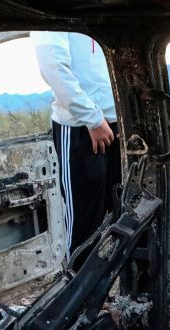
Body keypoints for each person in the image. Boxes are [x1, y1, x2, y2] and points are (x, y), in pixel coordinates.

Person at [31, 31, 121, 258]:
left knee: (127, 214)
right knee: (86, 224)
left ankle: (130, 291)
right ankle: (84, 290)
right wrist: (92, 118)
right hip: (82, 127)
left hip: (119, 123)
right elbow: (53, 66)